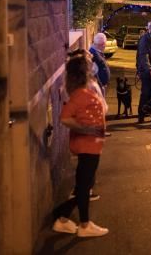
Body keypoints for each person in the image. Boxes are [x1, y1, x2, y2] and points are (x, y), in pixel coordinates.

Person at [52, 49, 109, 238]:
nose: (91, 68)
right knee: (84, 185)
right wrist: (86, 129)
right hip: (87, 145)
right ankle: (84, 225)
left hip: (92, 144)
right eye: (87, 67)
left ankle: (62, 218)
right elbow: (65, 118)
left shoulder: (83, 91)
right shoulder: (80, 94)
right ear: (82, 73)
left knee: (85, 184)